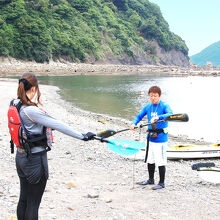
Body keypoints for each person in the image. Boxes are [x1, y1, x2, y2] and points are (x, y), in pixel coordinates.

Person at [12, 73, 96, 220]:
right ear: (33, 89)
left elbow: (32, 128)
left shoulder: (15, 104)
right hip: (35, 161)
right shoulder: (31, 110)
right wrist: (82, 136)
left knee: (23, 199)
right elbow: (58, 124)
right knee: (33, 204)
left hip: (21, 158)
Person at [130, 86, 173, 190]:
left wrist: (159, 117)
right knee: (150, 159)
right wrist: (133, 123)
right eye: (151, 96)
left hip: (161, 138)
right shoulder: (148, 106)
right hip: (150, 137)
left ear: (159, 96)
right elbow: (139, 116)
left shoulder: (164, 105)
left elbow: (170, 114)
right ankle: (150, 180)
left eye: (155, 96)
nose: (153, 98)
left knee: (161, 161)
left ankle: (162, 183)